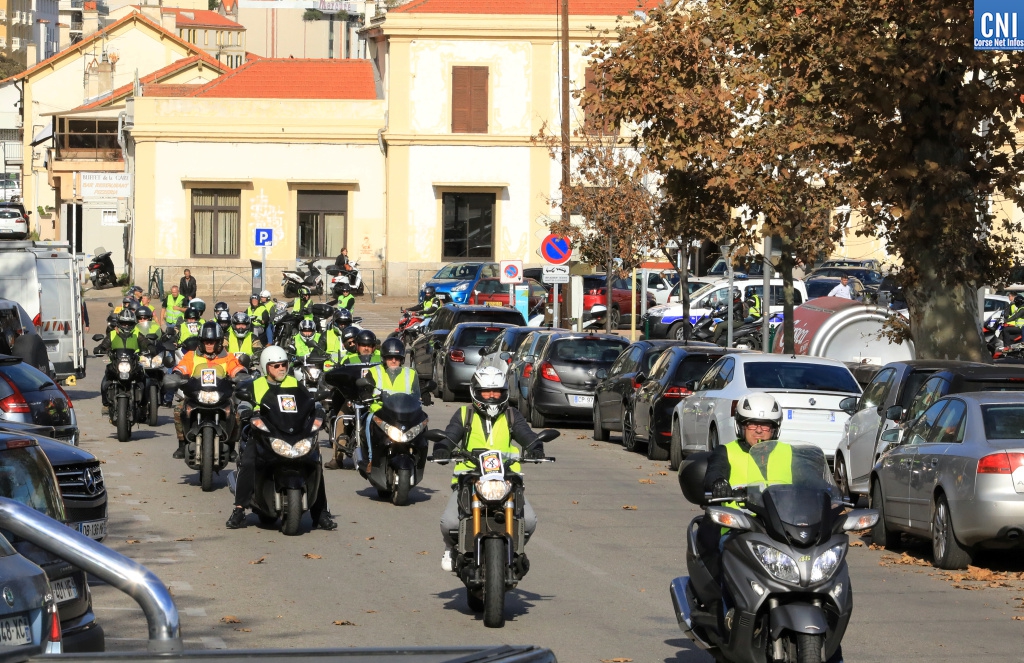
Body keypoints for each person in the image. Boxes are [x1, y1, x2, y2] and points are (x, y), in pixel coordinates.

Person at [431, 364, 545, 572]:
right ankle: (450, 548)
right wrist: (442, 448)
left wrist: (536, 447)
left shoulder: (512, 415)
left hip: (506, 478)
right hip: (470, 477)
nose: (492, 395)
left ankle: (515, 552)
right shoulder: (464, 414)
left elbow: (526, 435)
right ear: (475, 391)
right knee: (449, 523)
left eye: (496, 391)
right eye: (486, 391)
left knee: (528, 521)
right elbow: (450, 435)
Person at [226, 346, 336, 531]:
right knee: (249, 461)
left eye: (283, 364)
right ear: (265, 367)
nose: (281, 368)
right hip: (263, 433)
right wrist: (245, 410)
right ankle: (239, 510)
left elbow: (309, 401)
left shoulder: (294, 383)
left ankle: (321, 513)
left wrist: (318, 409)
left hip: (294, 433)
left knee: (313, 462)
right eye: (275, 366)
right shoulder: (256, 384)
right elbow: (244, 401)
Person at [697, 393, 794, 578]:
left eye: (765, 425)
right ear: (741, 426)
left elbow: (810, 479)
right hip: (739, 527)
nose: (759, 431)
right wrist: (718, 483)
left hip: (784, 528)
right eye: (752, 424)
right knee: (729, 561)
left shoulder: (789, 452)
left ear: (775, 429)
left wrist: (828, 495)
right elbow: (714, 471)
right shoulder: (727, 451)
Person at [170, 322, 246, 459]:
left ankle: (231, 446)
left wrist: (240, 374)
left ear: (219, 342)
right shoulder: (191, 355)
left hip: (221, 395)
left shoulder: (228, 356)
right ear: (201, 342)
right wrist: (177, 374)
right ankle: (182, 444)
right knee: (179, 410)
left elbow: (235, 367)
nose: (209, 344)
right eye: (206, 341)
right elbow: (183, 367)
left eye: (212, 341)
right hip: (196, 394)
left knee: (236, 414)